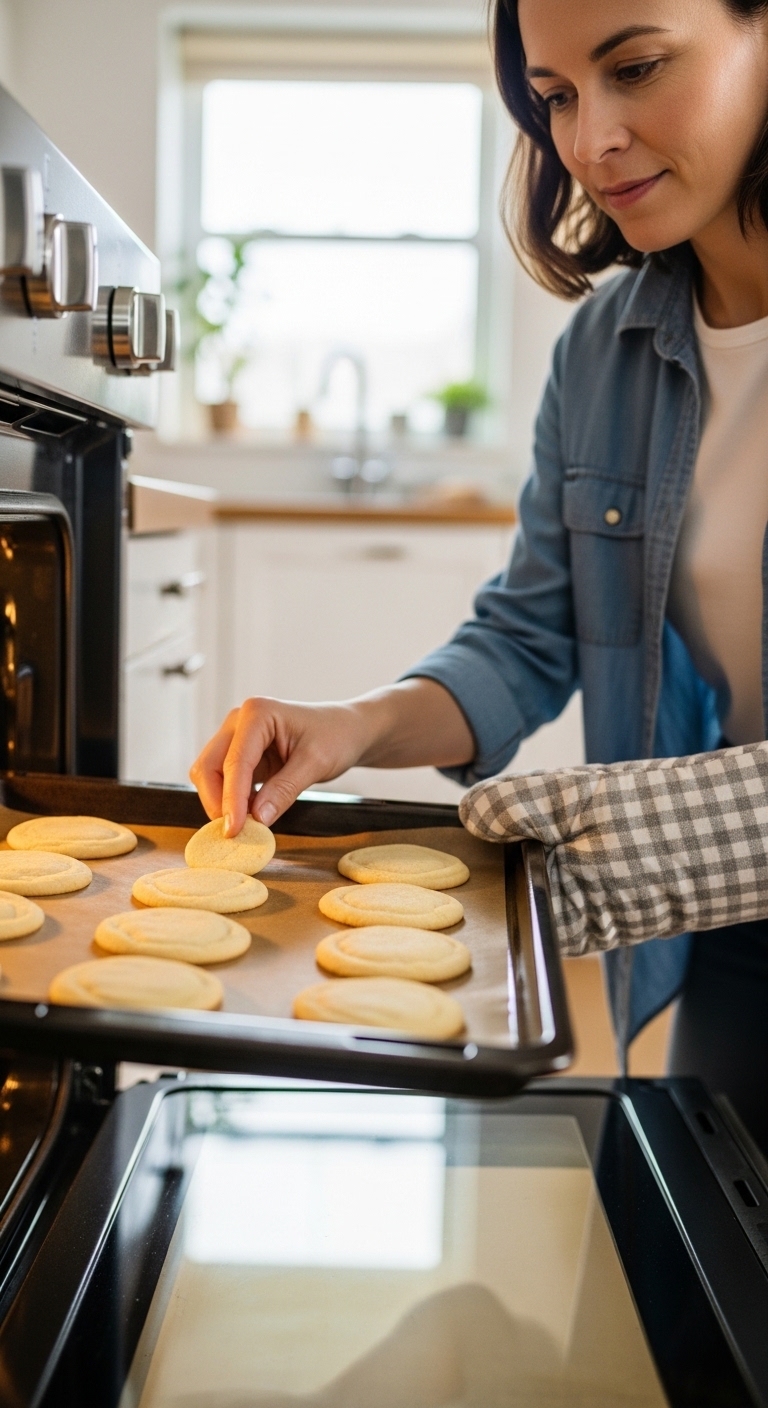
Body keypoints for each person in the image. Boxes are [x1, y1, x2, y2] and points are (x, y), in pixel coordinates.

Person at [191, 0, 768, 1151]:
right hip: (733, 932)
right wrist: (351, 726)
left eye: (638, 67)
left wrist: (666, 825)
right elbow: (530, 636)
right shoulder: (609, 352)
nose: (589, 139)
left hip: (718, 864)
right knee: (712, 1271)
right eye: (553, 97)